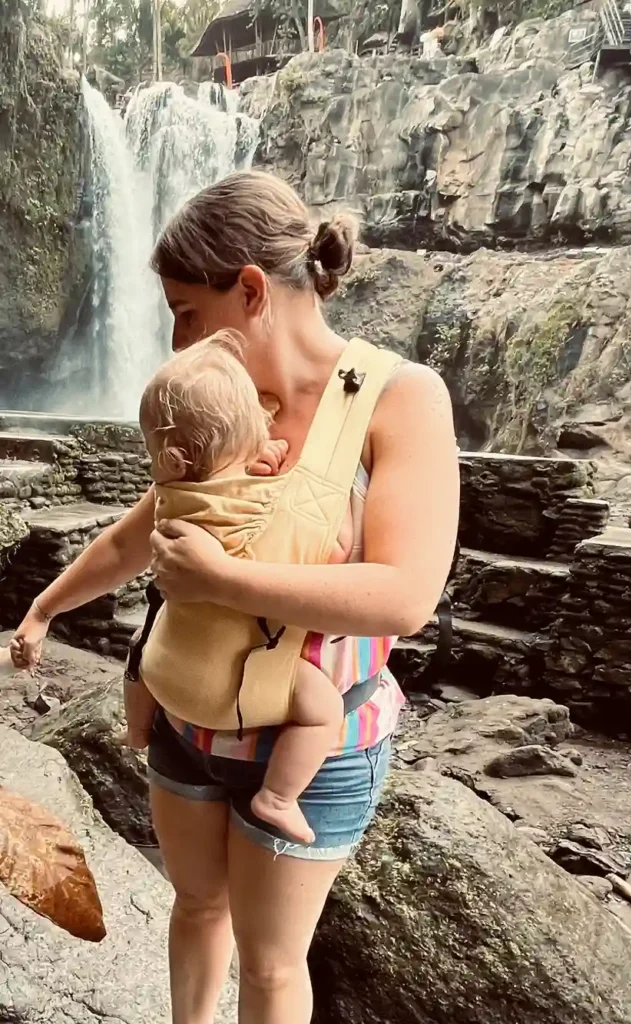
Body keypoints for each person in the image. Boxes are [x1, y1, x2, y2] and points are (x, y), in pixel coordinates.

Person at [9, 170, 459, 1024]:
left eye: (185, 311)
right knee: (195, 908)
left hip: (311, 743)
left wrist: (221, 579)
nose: (176, 340)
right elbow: (131, 539)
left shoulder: (401, 398)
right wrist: (47, 608)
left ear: (250, 289)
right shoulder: (224, 402)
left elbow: (404, 596)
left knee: (270, 964)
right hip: (189, 722)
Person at [129, 330, 368, 845]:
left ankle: (134, 729)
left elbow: (225, 482)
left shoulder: (171, 493)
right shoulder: (272, 504)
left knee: (140, 643)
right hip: (233, 696)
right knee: (322, 709)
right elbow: (332, 550)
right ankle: (278, 797)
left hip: (166, 678)